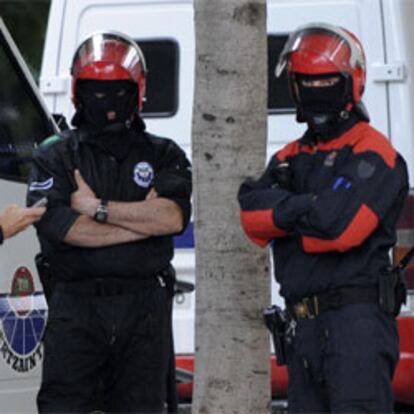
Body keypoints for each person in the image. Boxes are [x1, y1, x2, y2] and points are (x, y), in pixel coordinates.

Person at [238, 23, 409, 413]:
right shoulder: (288, 156)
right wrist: (309, 208)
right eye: (306, 83)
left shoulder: (375, 154)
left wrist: (285, 212)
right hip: (301, 329)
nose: (316, 93)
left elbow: (340, 230)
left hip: (356, 329)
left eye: (326, 83)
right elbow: (250, 216)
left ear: (351, 83)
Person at [27, 30, 192, 413]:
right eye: (96, 90)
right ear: (77, 90)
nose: (108, 102)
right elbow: (62, 228)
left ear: (137, 91)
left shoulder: (164, 153)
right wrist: (139, 223)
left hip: (144, 309)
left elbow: (171, 218)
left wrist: (97, 207)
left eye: (118, 90)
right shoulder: (55, 156)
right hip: (76, 306)